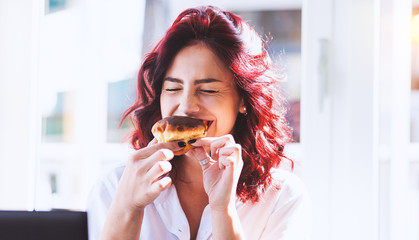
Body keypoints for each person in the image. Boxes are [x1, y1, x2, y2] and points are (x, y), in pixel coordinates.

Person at [87, 5, 310, 240]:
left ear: (243, 100)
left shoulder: (282, 197)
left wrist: (223, 211)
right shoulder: (113, 188)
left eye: (208, 90)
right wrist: (127, 208)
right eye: (173, 88)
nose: (186, 106)